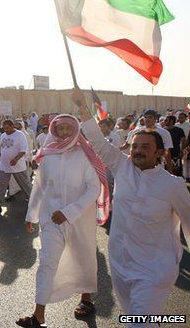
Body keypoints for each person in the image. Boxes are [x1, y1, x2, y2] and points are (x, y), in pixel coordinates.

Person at [72, 88, 190, 326]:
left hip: (154, 270)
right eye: (135, 146)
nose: (137, 151)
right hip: (121, 264)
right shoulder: (122, 166)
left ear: (159, 152)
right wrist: (83, 109)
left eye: (145, 147)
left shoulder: (173, 185)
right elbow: (97, 142)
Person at [16, 114, 107, 328]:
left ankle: (86, 299)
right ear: (54, 130)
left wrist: (69, 212)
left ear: (75, 129)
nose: (64, 132)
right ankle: (38, 316)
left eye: (68, 128)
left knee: (83, 258)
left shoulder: (85, 155)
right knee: (47, 262)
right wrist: (32, 216)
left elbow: (94, 188)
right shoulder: (48, 155)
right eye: (61, 128)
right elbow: (39, 187)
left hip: (80, 219)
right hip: (51, 220)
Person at [0, 120, 32, 214]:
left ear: (12, 126)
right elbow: (3, 148)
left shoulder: (20, 135)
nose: (6, 130)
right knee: (2, 185)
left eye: (7, 128)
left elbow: (23, 149)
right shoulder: (3, 135)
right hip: (4, 165)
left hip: (18, 165)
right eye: (4, 128)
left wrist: (16, 159)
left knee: (25, 184)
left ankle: (33, 201)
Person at [122, 109, 174, 173]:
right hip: (138, 166)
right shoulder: (136, 132)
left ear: (155, 119)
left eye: (150, 117)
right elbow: (130, 148)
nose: (147, 119)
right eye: (145, 117)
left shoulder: (164, 133)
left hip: (157, 166)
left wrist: (169, 169)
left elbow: (167, 152)